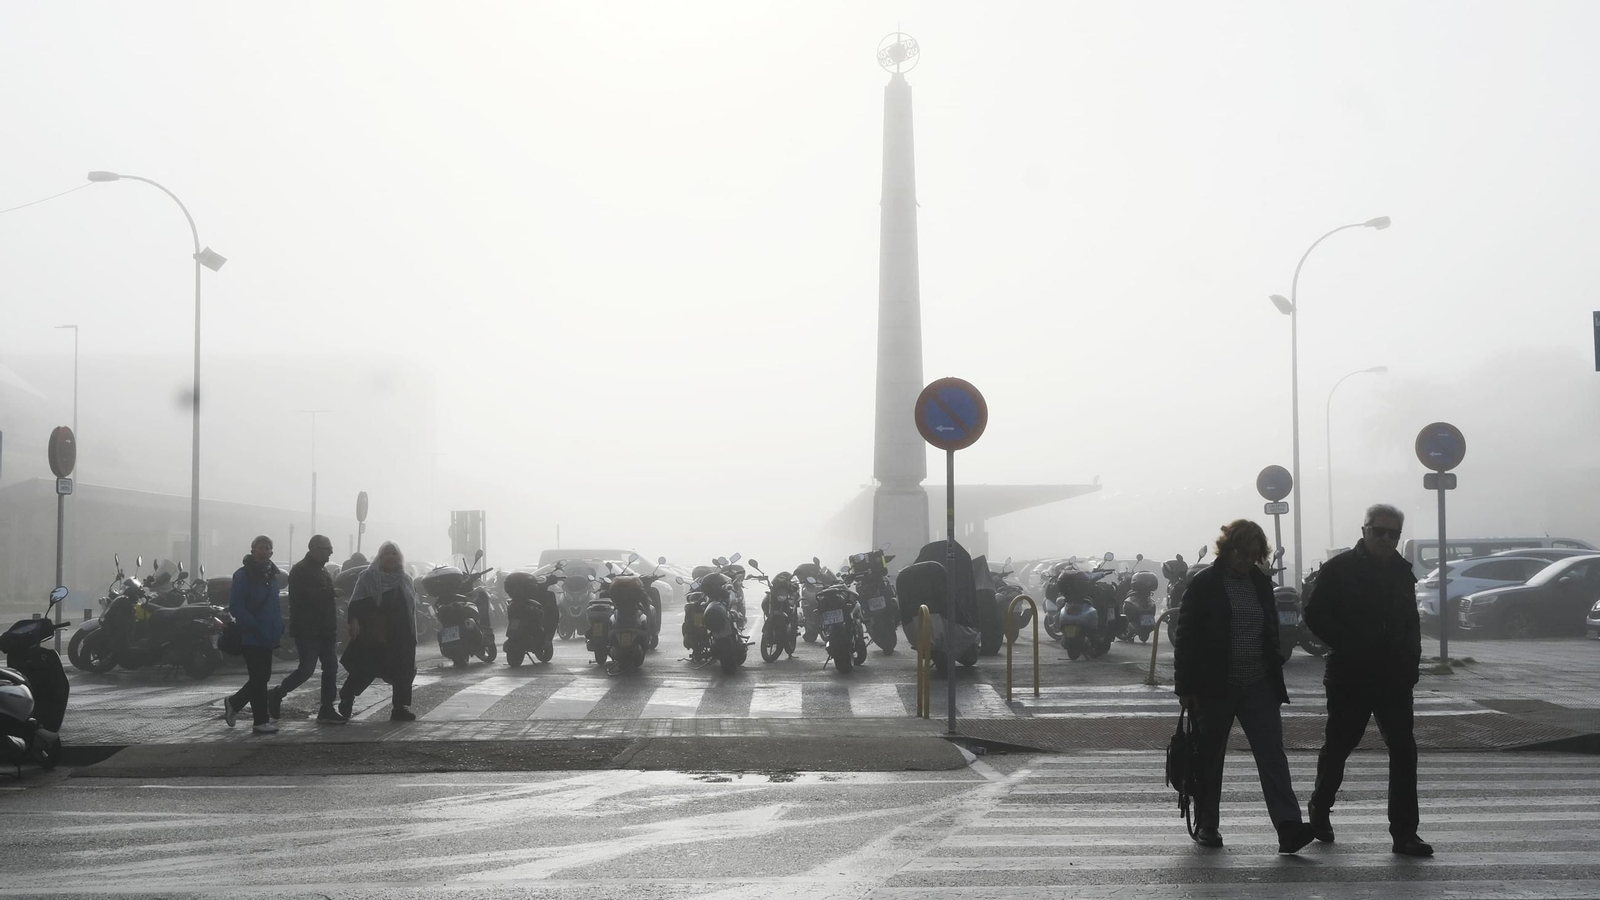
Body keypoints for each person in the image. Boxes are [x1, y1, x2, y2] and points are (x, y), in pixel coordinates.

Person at [1174, 519, 1314, 854]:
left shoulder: (1260, 584)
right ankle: (1208, 825)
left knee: (1272, 756)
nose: (1245, 559)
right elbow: (1186, 636)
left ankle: (1288, 827)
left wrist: (1276, 654)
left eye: (1253, 554)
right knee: (1209, 756)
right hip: (1214, 686)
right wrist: (1185, 687)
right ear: (1227, 547)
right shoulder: (1205, 583)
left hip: (1258, 683)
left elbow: (1268, 625)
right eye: (1240, 551)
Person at [1304, 503, 1432, 857]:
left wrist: (1411, 663)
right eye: (1380, 531)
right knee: (1340, 746)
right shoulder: (1339, 569)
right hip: (1351, 675)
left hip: (1394, 677)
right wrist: (1348, 643)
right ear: (1365, 530)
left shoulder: (1402, 573)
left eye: (1394, 534)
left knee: (1404, 752)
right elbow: (1313, 614)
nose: (1386, 539)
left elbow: (1411, 623)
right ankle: (1320, 806)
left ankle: (1405, 833)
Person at [268, 535, 346, 724]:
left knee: (331, 668)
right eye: (327, 548)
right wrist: (330, 593)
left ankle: (327, 708)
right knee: (307, 669)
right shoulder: (300, 570)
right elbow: (304, 597)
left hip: (326, 629)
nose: (331, 552)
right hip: (308, 629)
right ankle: (277, 694)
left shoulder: (322, 571)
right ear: (314, 549)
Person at [337, 541, 418, 722]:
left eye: (394, 554)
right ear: (380, 557)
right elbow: (356, 600)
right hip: (376, 632)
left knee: (403, 671)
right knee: (366, 668)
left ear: (399, 557)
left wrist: (413, 633)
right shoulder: (368, 576)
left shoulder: (405, 578)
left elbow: (411, 606)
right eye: (386, 553)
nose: (390, 557)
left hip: (402, 633)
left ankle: (399, 708)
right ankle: (347, 695)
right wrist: (354, 621)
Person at [224, 535, 285, 735]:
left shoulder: (272, 577)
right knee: (259, 678)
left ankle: (234, 702)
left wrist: (279, 627)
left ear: (272, 552)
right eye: (260, 547)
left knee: (262, 677)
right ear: (253, 550)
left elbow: (274, 606)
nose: (264, 551)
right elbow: (236, 607)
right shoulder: (243, 575)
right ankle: (260, 721)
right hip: (252, 635)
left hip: (268, 635)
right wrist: (254, 625)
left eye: (267, 548)